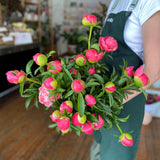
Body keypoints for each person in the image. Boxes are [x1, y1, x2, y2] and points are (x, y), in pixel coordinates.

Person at [91, 0, 160, 160]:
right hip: (101, 98)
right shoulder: (116, 2)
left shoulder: (150, 3)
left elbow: (154, 71)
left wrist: (112, 102)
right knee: (98, 147)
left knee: (115, 155)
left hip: (126, 101)